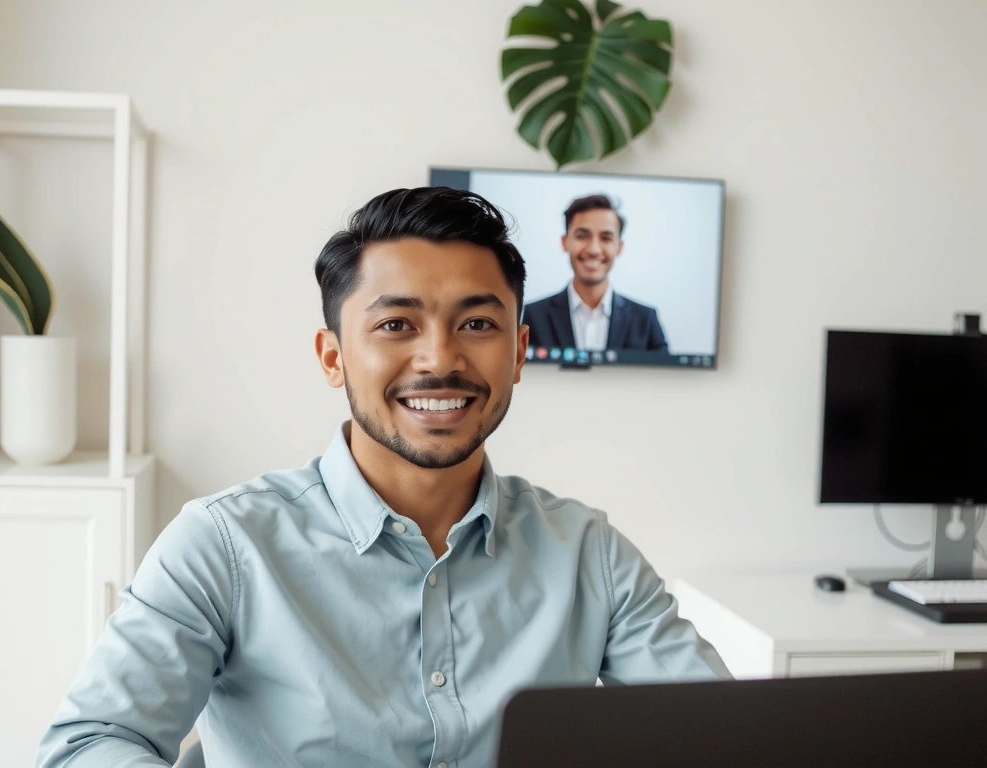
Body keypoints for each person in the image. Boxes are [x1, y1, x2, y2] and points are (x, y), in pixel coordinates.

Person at [36, 187, 728, 768]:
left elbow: (721, 735)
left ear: (519, 352)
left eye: (478, 323)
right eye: (397, 323)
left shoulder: (588, 553)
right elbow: (90, 744)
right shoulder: (224, 544)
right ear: (333, 357)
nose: (439, 359)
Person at [523, 194, 669, 352]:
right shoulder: (535, 316)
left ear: (619, 247)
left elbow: (667, 376)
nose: (593, 249)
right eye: (582, 236)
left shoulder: (645, 320)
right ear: (564, 242)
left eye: (606, 238)